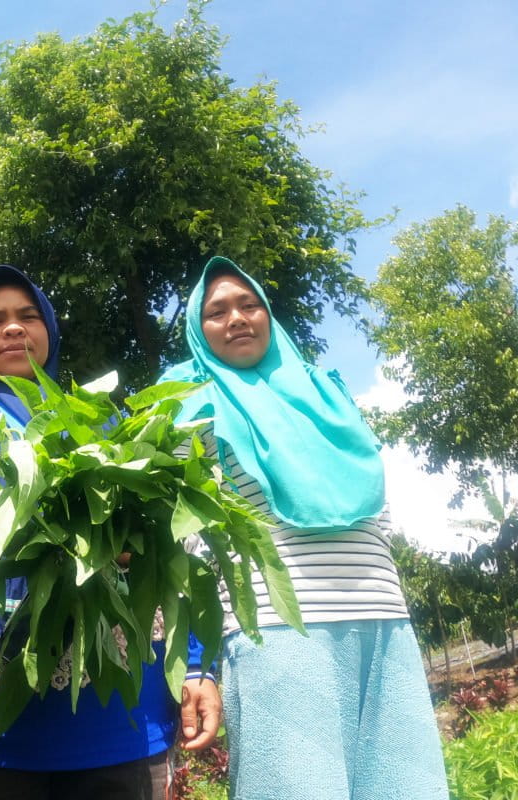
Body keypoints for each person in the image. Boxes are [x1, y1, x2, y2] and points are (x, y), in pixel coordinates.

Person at [0, 265, 220, 800]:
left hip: (113, 722)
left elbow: (180, 551)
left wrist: (195, 666)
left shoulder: (110, 426)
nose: (12, 328)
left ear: (50, 330)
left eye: (28, 316)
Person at [160, 256, 448, 800]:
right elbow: (189, 542)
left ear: (267, 315)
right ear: (199, 329)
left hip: (383, 622)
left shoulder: (326, 394)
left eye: (249, 305)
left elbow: (377, 504)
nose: (237, 318)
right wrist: (198, 663)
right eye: (217, 312)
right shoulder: (188, 402)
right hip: (278, 632)